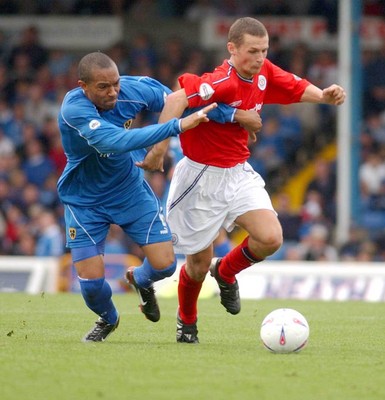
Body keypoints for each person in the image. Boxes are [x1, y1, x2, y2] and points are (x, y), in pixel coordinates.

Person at [143, 17, 346, 343]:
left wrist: (324, 95)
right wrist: (159, 147)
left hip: (237, 171)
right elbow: (175, 100)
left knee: (270, 238)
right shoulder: (219, 80)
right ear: (232, 49)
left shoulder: (263, 71)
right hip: (200, 177)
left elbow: (295, 86)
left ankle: (225, 273)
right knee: (197, 264)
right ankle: (187, 320)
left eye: (264, 51)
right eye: (252, 51)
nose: (259, 58)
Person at [57, 51, 260, 343]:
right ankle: (109, 318)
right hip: (84, 201)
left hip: (129, 190)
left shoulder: (134, 89)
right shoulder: (73, 110)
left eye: (115, 83)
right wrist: (174, 127)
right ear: (83, 86)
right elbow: (114, 141)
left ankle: (139, 279)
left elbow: (185, 101)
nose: (113, 91)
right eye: (103, 87)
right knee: (90, 285)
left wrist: (235, 115)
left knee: (165, 265)